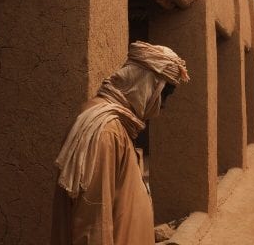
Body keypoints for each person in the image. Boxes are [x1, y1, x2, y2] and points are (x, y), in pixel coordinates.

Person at [51, 41, 189, 245]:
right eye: (163, 95)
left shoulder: (119, 125)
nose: (164, 105)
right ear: (146, 84)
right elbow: (93, 227)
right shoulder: (106, 132)